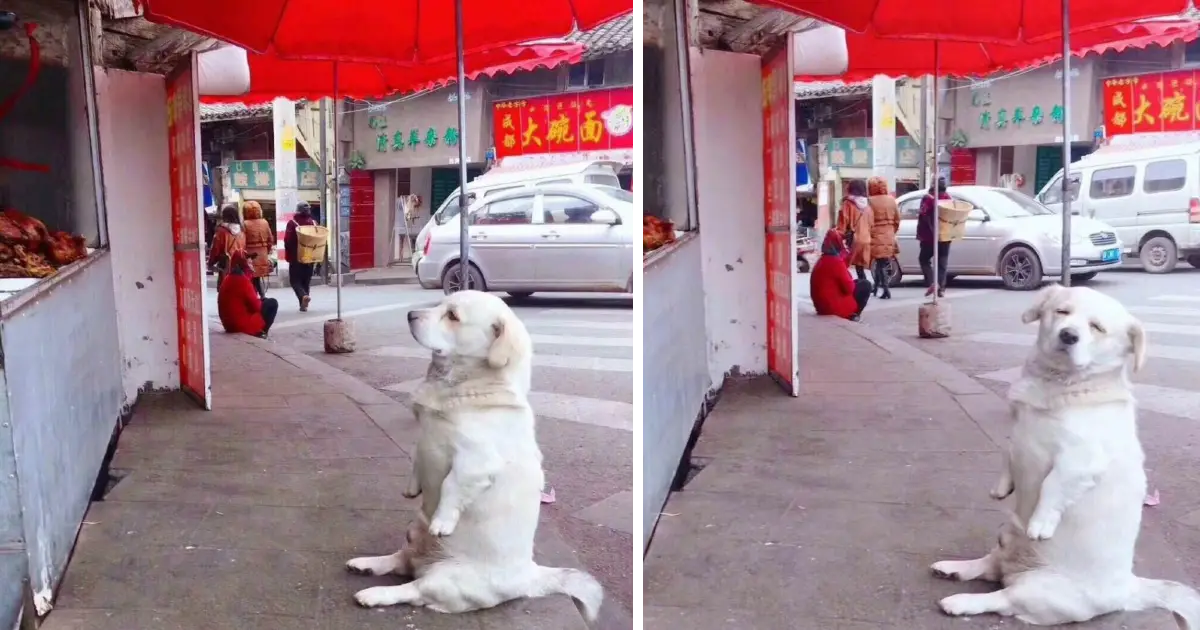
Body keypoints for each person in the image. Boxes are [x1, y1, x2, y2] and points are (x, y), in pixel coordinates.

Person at [811, 230, 872, 321]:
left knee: (858, 282)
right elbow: (849, 288)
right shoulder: (835, 262)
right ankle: (853, 315)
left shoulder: (822, 260)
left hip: (821, 307)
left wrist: (851, 251)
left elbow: (842, 267)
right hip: (833, 309)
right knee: (865, 285)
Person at [217, 250, 279, 338]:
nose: (251, 265)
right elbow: (256, 306)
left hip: (229, 323)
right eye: (249, 262)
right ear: (242, 265)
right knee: (272, 303)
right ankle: (261, 332)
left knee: (264, 301)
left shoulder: (229, 278)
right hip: (239, 325)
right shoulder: (242, 280)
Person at [866, 177, 901, 300]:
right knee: (882, 262)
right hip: (889, 233)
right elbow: (897, 220)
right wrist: (891, 230)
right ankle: (876, 287)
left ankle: (885, 289)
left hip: (876, 234)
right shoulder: (892, 200)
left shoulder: (870, 201)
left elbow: (867, 220)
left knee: (879, 263)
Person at [918, 177, 952, 298]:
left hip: (929, 237)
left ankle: (933, 282)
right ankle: (941, 288)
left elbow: (923, 214)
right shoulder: (948, 198)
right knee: (942, 262)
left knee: (923, 259)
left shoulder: (928, 199)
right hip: (945, 236)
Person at [836, 179, 873, 282]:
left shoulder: (848, 204)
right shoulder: (868, 206)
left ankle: (845, 287)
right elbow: (871, 224)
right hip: (866, 240)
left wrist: (838, 237)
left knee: (842, 266)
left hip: (852, 240)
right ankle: (864, 288)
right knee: (860, 269)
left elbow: (842, 224)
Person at [284, 201, 317, 312]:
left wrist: (289, 253)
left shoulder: (292, 223)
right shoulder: (314, 223)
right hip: (310, 257)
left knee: (295, 281)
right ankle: (303, 304)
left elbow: (287, 241)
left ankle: (303, 297)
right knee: (306, 281)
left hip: (296, 257)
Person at [207, 204, 245, 290]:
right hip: (239, 267)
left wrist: (211, 263)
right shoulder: (242, 232)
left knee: (225, 291)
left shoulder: (221, 231)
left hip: (225, 266)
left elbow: (215, 249)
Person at [242, 200, 274, 299]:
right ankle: (262, 295)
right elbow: (270, 239)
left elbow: (242, 241)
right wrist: (266, 251)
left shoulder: (244, 224)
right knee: (257, 277)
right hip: (262, 254)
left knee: (250, 276)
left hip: (250, 255)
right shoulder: (264, 222)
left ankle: (253, 297)